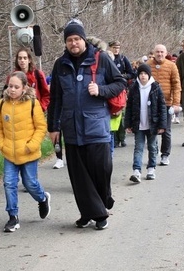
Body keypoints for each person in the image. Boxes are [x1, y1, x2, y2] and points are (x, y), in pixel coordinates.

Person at [47, 19, 126, 230]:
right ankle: (92, 214)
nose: (73, 43)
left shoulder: (100, 59)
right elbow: (55, 98)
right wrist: (53, 127)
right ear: (66, 43)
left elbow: (120, 83)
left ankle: (99, 208)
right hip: (71, 129)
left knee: (101, 171)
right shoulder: (60, 65)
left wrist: (101, 90)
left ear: (83, 40)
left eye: (77, 39)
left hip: (96, 127)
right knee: (79, 177)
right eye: (69, 40)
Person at [0, 71, 50, 232]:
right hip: (9, 152)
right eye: (10, 86)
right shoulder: (2, 104)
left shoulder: (33, 103)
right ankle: (13, 217)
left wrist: (31, 145)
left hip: (28, 152)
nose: (12, 90)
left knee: (29, 183)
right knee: (9, 183)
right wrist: (2, 144)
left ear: (24, 88)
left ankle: (42, 198)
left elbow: (40, 127)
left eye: (16, 87)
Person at [124, 63, 167, 182]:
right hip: (138, 123)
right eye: (140, 74)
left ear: (149, 75)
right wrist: (127, 124)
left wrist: (162, 125)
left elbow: (162, 107)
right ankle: (136, 171)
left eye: (145, 74)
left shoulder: (155, 87)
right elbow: (129, 107)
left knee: (152, 147)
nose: (143, 76)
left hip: (152, 124)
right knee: (138, 147)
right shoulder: (134, 88)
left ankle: (151, 168)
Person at [146, 44, 181, 166]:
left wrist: (176, 103)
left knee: (166, 130)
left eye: (162, 52)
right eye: (157, 52)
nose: (159, 54)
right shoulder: (147, 65)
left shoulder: (171, 66)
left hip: (167, 103)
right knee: (152, 130)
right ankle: (153, 152)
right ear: (154, 53)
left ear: (165, 53)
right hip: (150, 103)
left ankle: (165, 154)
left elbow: (176, 85)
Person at [109, 40, 135, 147]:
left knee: (121, 114)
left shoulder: (123, 59)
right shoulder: (107, 59)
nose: (116, 49)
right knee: (112, 114)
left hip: (121, 90)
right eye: (114, 47)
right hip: (110, 90)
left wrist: (122, 76)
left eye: (118, 48)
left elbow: (132, 73)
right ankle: (114, 138)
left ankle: (122, 137)